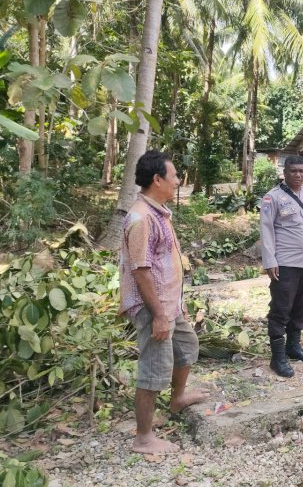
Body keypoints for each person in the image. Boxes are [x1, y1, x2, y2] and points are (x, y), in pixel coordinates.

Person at [119, 150, 209, 455]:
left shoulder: (157, 212)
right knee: (154, 368)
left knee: (187, 348)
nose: (178, 181)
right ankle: (143, 438)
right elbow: (141, 271)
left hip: (169, 303)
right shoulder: (141, 218)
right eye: (174, 176)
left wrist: (176, 303)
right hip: (153, 307)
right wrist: (158, 314)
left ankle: (177, 399)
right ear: (157, 180)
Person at [260, 155, 303, 377]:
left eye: (302, 170)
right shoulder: (273, 198)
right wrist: (269, 260)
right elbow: (266, 230)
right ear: (285, 172)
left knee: (301, 306)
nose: (298, 175)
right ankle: (277, 357)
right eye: (293, 171)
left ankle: (293, 346)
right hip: (285, 263)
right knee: (281, 309)